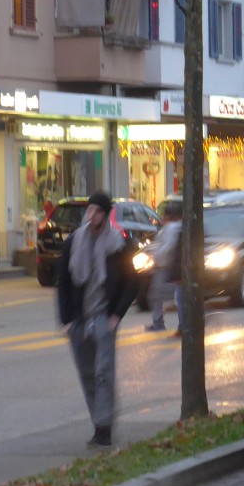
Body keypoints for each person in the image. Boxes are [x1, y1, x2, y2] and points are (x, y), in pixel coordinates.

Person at [56, 191, 138, 448]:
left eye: (98, 211)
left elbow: (132, 281)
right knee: (87, 374)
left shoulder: (118, 244)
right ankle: (99, 420)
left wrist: (116, 315)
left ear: (106, 214)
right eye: (90, 210)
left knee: (104, 373)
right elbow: (63, 282)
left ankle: (104, 428)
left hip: (104, 318)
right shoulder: (74, 242)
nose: (92, 215)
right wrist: (66, 320)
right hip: (79, 321)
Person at [144, 200, 182, 332]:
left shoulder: (171, 228)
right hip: (168, 266)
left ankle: (159, 322)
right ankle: (159, 321)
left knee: (158, 295)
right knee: (169, 295)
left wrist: (157, 256)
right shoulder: (175, 228)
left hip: (164, 266)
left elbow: (167, 246)